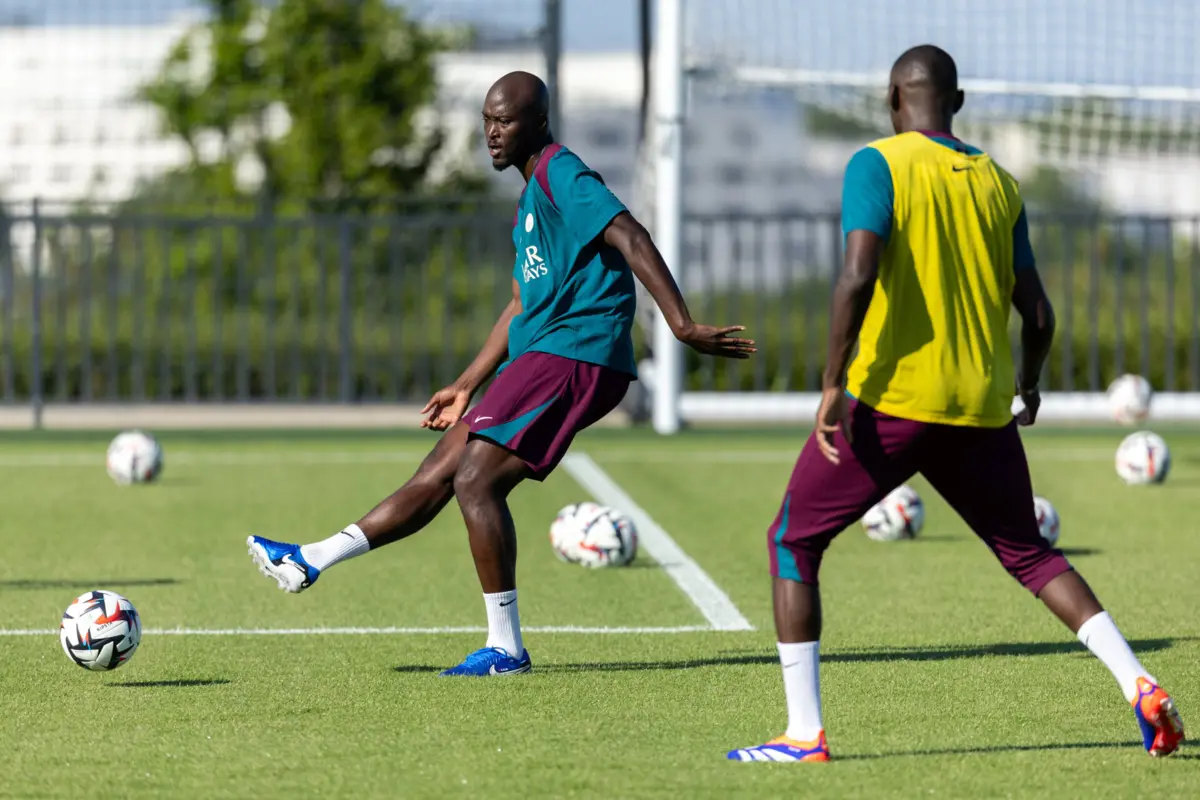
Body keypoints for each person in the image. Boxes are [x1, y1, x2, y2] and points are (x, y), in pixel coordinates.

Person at [728, 45, 1184, 762]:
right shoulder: (1000, 183)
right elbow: (1038, 314)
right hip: (979, 406)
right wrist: (1028, 385)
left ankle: (803, 733)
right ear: (959, 101)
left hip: (893, 400)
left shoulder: (876, 164)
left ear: (891, 99)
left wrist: (829, 382)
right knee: (1031, 555)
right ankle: (1140, 683)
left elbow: (856, 274)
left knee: (793, 540)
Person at [247, 71, 755, 677]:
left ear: (537, 123)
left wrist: (680, 324)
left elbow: (630, 234)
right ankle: (310, 559)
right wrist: (466, 383)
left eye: (505, 121)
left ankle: (506, 648)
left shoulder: (562, 172)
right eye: (487, 120)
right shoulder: (528, 202)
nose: (492, 133)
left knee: (475, 481)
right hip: (542, 351)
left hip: (576, 353)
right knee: (439, 471)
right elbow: (520, 304)